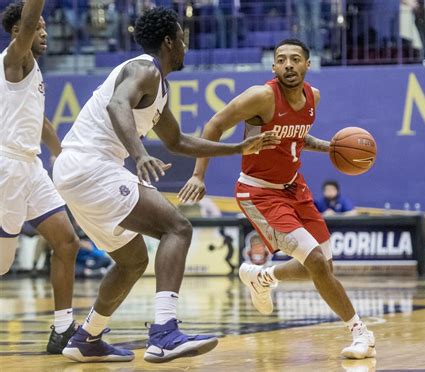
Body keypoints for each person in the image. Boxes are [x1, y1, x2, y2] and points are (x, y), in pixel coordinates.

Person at [53, 7, 279, 363]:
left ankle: (87, 337)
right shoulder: (143, 68)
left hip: (77, 172)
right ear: (169, 41)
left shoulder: (159, 87)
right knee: (178, 227)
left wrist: (237, 147)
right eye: (183, 37)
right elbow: (116, 105)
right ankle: (164, 333)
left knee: (132, 261)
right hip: (90, 166)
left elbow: (178, 142)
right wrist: (139, 154)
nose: (186, 45)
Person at [179, 38, 376, 360]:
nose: (288, 65)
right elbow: (214, 125)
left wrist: (330, 147)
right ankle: (361, 332)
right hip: (258, 191)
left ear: (307, 65)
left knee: (323, 266)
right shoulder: (261, 97)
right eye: (281, 59)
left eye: (295, 59)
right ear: (273, 67)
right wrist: (198, 175)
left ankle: (263, 276)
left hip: (294, 187)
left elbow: (296, 136)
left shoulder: (314, 97)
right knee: (314, 261)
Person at [0, 0, 80, 354]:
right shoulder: (13, 60)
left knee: (67, 242)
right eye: (39, 27)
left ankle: (63, 329)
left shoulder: (31, 72)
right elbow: (30, 17)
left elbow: (41, 121)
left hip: (31, 168)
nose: (44, 32)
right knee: (1, 267)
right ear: (20, 33)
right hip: (7, 168)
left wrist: (61, 155)